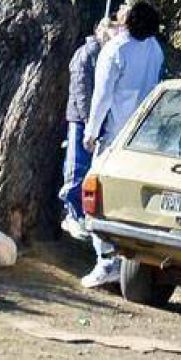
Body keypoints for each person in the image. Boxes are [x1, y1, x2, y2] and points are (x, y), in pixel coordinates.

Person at [81, 1, 164, 288]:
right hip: (145, 134)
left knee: (98, 193)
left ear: (127, 21)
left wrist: (90, 132)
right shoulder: (154, 48)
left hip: (116, 133)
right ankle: (128, 258)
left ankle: (106, 260)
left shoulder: (115, 50)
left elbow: (102, 97)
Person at [56, 18, 114, 241]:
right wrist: (91, 123)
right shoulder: (87, 54)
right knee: (76, 167)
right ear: (99, 30)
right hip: (81, 121)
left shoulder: (108, 54)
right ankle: (72, 213)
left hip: (96, 123)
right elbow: (82, 92)